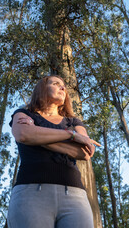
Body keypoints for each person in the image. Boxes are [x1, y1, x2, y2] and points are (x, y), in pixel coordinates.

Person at [7, 75, 101, 228]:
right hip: (31, 193)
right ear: (42, 89)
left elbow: (85, 152)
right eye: (56, 84)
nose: (63, 88)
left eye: (63, 86)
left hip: (75, 196)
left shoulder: (73, 121)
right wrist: (71, 135)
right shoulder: (25, 114)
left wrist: (36, 136)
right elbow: (23, 134)